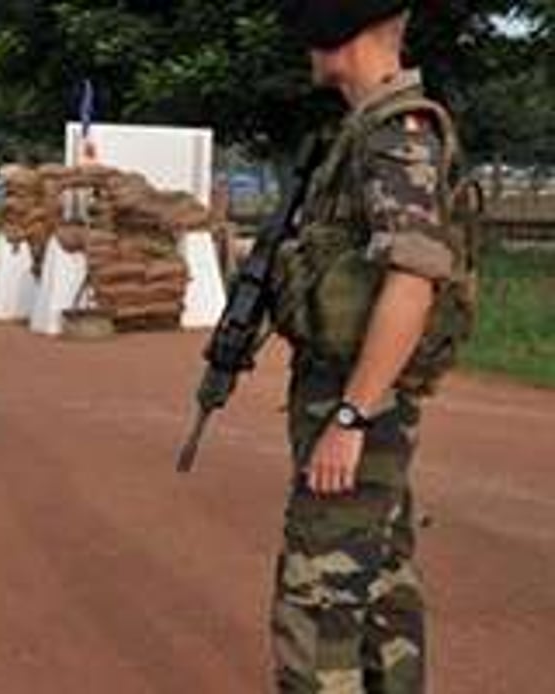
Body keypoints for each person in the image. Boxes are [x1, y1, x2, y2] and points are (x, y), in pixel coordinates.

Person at [269, 2, 475, 691]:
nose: (303, 46)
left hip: (358, 401)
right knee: (381, 584)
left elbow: (413, 281)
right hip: (353, 392)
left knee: (315, 603)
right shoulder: (362, 131)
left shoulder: (395, 134)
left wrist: (351, 418)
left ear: (341, 31)